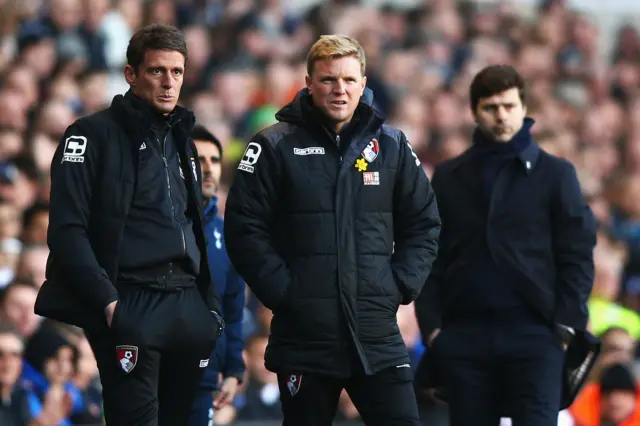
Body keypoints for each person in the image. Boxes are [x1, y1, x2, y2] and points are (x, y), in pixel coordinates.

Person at [223, 34, 441, 426]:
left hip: (377, 333)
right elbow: (243, 228)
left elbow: (423, 222)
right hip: (304, 336)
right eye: (327, 80)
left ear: (363, 83)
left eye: (348, 80)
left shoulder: (391, 146)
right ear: (308, 83)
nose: (339, 89)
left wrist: (399, 284)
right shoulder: (273, 146)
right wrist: (286, 293)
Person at [34, 23, 224, 426]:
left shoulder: (184, 139)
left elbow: (195, 224)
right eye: (157, 71)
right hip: (130, 300)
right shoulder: (89, 134)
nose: (169, 83)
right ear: (131, 74)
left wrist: (208, 306)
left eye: (177, 72)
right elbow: (67, 230)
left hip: (187, 303)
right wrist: (108, 301)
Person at [414, 64, 598, 426]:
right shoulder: (450, 176)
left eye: (509, 106)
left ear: (524, 109)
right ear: (475, 112)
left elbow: (576, 253)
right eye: (491, 107)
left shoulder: (556, 175)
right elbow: (430, 253)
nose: (501, 115)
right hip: (465, 334)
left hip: (537, 334)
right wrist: (434, 328)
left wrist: (565, 326)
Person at [188, 125, 245, 426]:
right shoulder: (156, 227)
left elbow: (233, 310)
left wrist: (234, 369)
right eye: (199, 160)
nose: (209, 169)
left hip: (207, 377)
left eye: (215, 161)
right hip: (156, 373)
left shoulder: (228, 234)